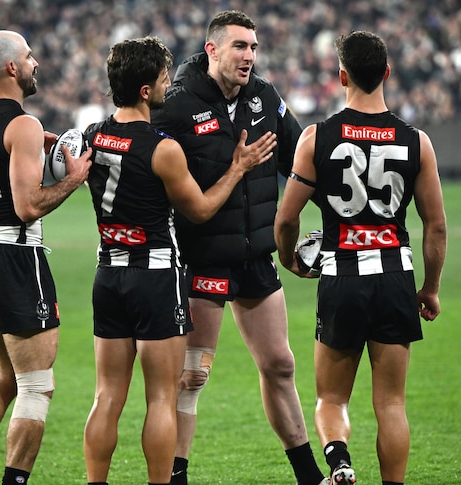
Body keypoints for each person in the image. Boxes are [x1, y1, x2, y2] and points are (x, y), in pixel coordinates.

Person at [81, 36, 277, 485]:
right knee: (161, 398)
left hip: (108, 271)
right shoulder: (163, 148)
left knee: (107, 395)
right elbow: (202, 209)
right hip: (153, 277)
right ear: (145, 90)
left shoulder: (94, 135)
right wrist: (238, 168)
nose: (171, 86)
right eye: (165, 79)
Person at [150, 10, 327, 485]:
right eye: (240, 47)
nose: (249, 56)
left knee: (280, 364)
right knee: (193, 375)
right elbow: (139, 155)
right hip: (200, 257)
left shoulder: (264, 97)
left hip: (255, 256)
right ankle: (176, 475)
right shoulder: (178, 103)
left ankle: (310, 476)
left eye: (253, 47)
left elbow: (302, 158)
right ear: (212, 50)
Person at [273, 31, 447, 485]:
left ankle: (340, 464)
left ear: (341, 75)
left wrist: (291, 258)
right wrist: (429, 288)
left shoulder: (317, 138)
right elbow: (436, 226)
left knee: (331, 398)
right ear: (387, 73)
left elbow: (286, 218)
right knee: (391, 404)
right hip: (394, 275)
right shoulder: (417, 142)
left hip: (342, 276)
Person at [0, 30, 92, 485]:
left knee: (7, 376)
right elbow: (29, 206)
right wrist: (75, 178)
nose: (35, 62)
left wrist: (28, 145)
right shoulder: (21, 124)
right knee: (36, 385)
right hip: (15, 254)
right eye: (29, 56)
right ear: (11, 68)